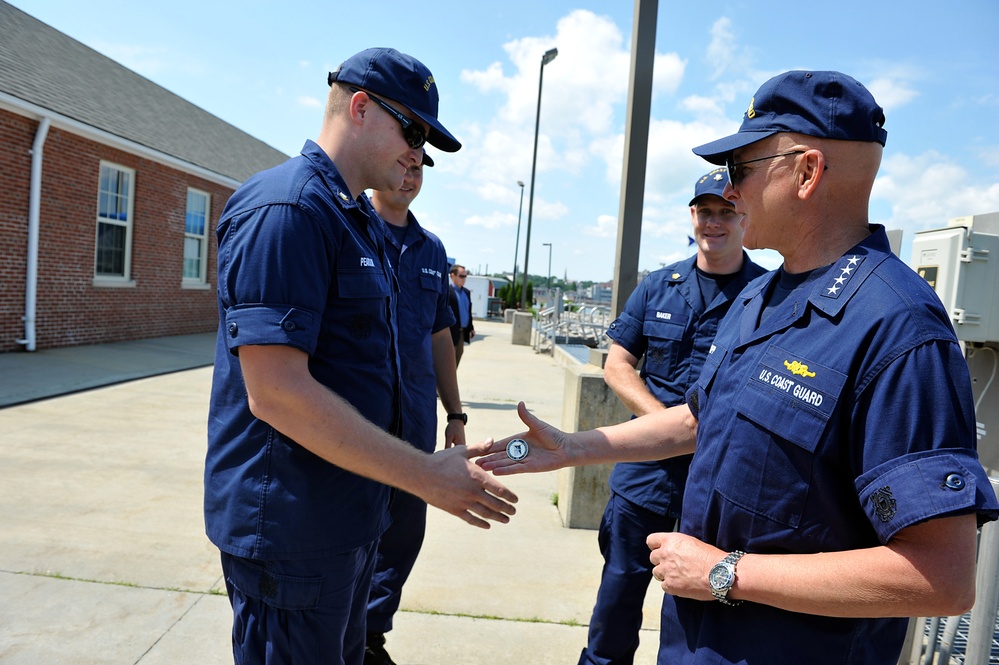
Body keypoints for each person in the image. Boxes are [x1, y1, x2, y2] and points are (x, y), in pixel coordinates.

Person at [481, 70, 999, 665]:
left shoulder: (899, 329)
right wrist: (573, 446)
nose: (730, 193)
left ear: (806, 173)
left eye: (741, 170)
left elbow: (942, 576)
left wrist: (725, 573)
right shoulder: (761, 298)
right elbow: (701, 420)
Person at [205, 47, 518, 665]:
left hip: (350, 521)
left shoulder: (359, 223)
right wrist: (425, 474)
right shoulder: (288, 211)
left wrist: (434, 442)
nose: (417, 150)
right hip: (294, 536)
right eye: (413, 129)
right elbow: (277, 392)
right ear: (359, 106)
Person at [580, 169, 767, 665]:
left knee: (697, 626)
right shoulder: (660, 286)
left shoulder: (768, 296)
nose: (715, 222)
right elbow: (617, 364)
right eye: (706, 211)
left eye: (727, 211)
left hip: (717, 492)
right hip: (643, 483)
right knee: (615, 609)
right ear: (692, 216)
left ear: (745, 216)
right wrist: (662, 423)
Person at [364, 149, 467, 665]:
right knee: (354, 534)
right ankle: (345, 635)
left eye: (418, 168)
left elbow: (440, 338)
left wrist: (455, 414)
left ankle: (370, 636)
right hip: (356, 430)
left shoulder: (431, 250)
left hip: (416, 429)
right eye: (402, 163)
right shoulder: (349, 229)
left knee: (403, 536)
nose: (408, 175)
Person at [448, 264, 475, 366]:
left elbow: (468, 311)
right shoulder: (447, 292)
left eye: (465, 276)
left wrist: (471, 328)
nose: (464, 279)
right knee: (448, 364)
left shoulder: (466, 292)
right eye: (461, 276)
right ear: (452, 276)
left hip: (462, 334)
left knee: (457, 359)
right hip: (450, 334)